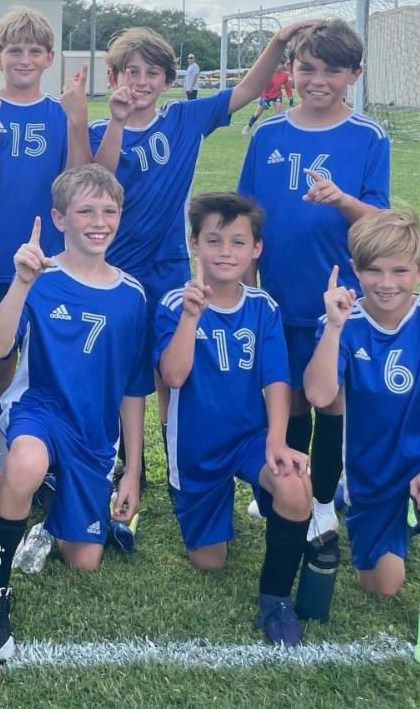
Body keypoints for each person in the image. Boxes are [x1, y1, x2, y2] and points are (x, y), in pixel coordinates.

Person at [83, 22, 316, 484]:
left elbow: (247, 90)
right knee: (115, 366)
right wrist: (117, 122)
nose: (141, 82)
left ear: (168, 80)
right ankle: (125, 461)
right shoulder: (99, 130)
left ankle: (176, 452)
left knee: (170, 371)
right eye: (132, 72)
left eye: (152, 73)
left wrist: (277, 43)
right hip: (114, 269)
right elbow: (99, 181)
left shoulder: (184, 119)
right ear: (114, 78)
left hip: (168, 265)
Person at [0, 165, 147, 663]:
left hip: (93, 434)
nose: (99, 221)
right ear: (59, 218)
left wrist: (132, 471)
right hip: (40, 411)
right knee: (25, 463)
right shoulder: (40, 279)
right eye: (85, 211)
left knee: (84, 560)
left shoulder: (132, 296)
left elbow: (133, 389)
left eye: (109, 211)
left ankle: (52, 508)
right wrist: (21, 283)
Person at [237, 19, 389, 545]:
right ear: (291, 70)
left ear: (354, 75)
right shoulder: (268, 134)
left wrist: (342, 199)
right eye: (307, 68)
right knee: (290, 398)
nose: (318, 80)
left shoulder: (368, 136)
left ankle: (323, 500)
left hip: (337, 302)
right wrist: (249, 290)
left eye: (332, 71)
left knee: (331, 400)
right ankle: (291, 486)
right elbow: (247, 219)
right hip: (278, 297)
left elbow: (382, 221)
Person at [304, 209, 420, 669]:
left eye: (400, 271)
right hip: (372, 467)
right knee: (381, 585)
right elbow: (319, 395)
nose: (386, 283)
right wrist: (334, 327)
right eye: (374, 270)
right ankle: (389, 510)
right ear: (355, 270)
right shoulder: (343, 321)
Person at [156, 192, 312, 647]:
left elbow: (277, 379)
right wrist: (191, 317)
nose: (226, 252)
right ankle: (217, 506)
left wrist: (277, 439)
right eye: (214, 240)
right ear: (194, 243)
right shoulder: (174, 304)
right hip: (196, 448)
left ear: (256, 249)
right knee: (211, 561)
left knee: (293, 485)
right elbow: (173, 375)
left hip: (249, 438)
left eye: (238, 242)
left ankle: (275, 598)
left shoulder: (263, 306)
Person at [0, 8, 81, 489]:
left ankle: (49, 457)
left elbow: (78, 183)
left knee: (51, 360)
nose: (24, 59)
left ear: (49, 58)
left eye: (34, 51)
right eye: (14, 50)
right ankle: (0, 461)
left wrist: (76, 123)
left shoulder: (59, 113)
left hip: (52, 260)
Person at [243, 59, 294, 134]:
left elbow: (287, 87)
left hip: (277, 95)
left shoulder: (284, 75)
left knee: (279, 113)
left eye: (281, 64)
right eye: (278, 64)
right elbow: (263, 87)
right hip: (266, 95)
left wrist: (290, 98)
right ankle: (248, 126)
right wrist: (263, 98)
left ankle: (278, 130)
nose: (280, 66)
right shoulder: (268, 74)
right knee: (258, 113)